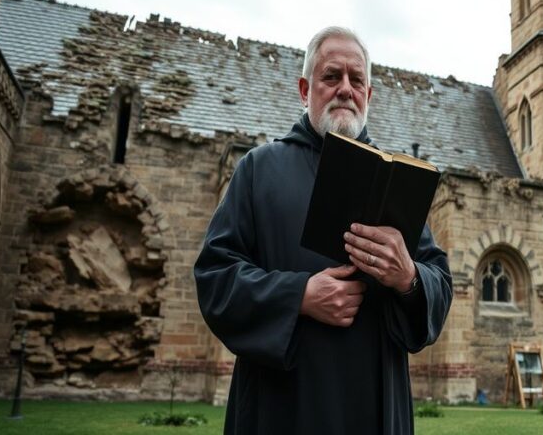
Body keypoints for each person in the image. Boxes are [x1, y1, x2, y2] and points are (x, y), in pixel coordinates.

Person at [194, 26, 453, 434]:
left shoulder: (397, 183)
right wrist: (299, 296)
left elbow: (439, 282)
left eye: (357, 79)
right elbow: (215, 278)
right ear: (305, 89)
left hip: (375, 407)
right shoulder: (259, 170)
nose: (345, 89)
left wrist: (408, 276)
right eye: (331, 76)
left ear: (369, 96)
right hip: (283, 406)